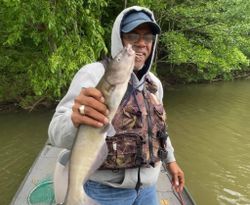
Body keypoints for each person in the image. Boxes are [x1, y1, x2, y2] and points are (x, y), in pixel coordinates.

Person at [48, 5, 184, 205]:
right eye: (132, 36)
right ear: (118, 39)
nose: (141, 43)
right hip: (106, 190)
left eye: (147, 38)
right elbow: (54, 132)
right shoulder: (93, 74)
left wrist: (171, 161)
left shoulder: (154, 84)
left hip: (148, 188)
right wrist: (75, 121)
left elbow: (159, 130)